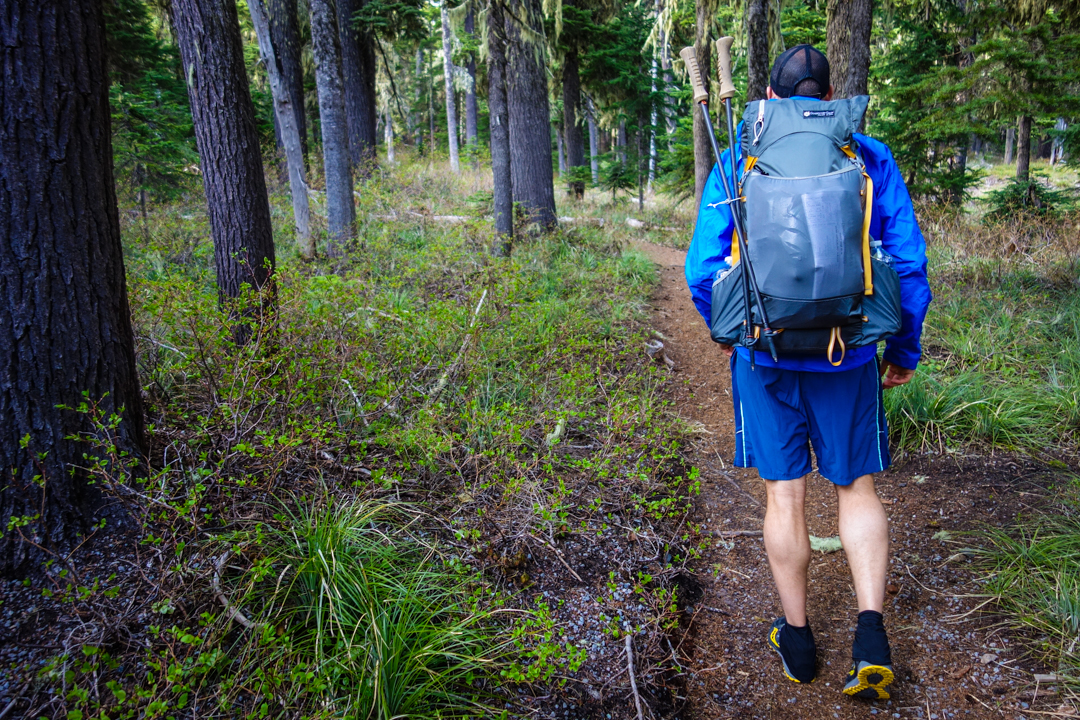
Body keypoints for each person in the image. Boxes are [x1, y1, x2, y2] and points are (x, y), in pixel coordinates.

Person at [684, 44, 932, 699]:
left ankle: (797, 642)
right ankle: (871, 636)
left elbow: (701, 270)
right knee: (856, 490)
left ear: (768, 97)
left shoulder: (744, 155)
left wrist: (732, 330)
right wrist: (902, 349)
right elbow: (906, 265)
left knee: (785, 496)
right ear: (828, 96)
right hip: (846, 352)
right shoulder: (866, 154)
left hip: (764, 353)